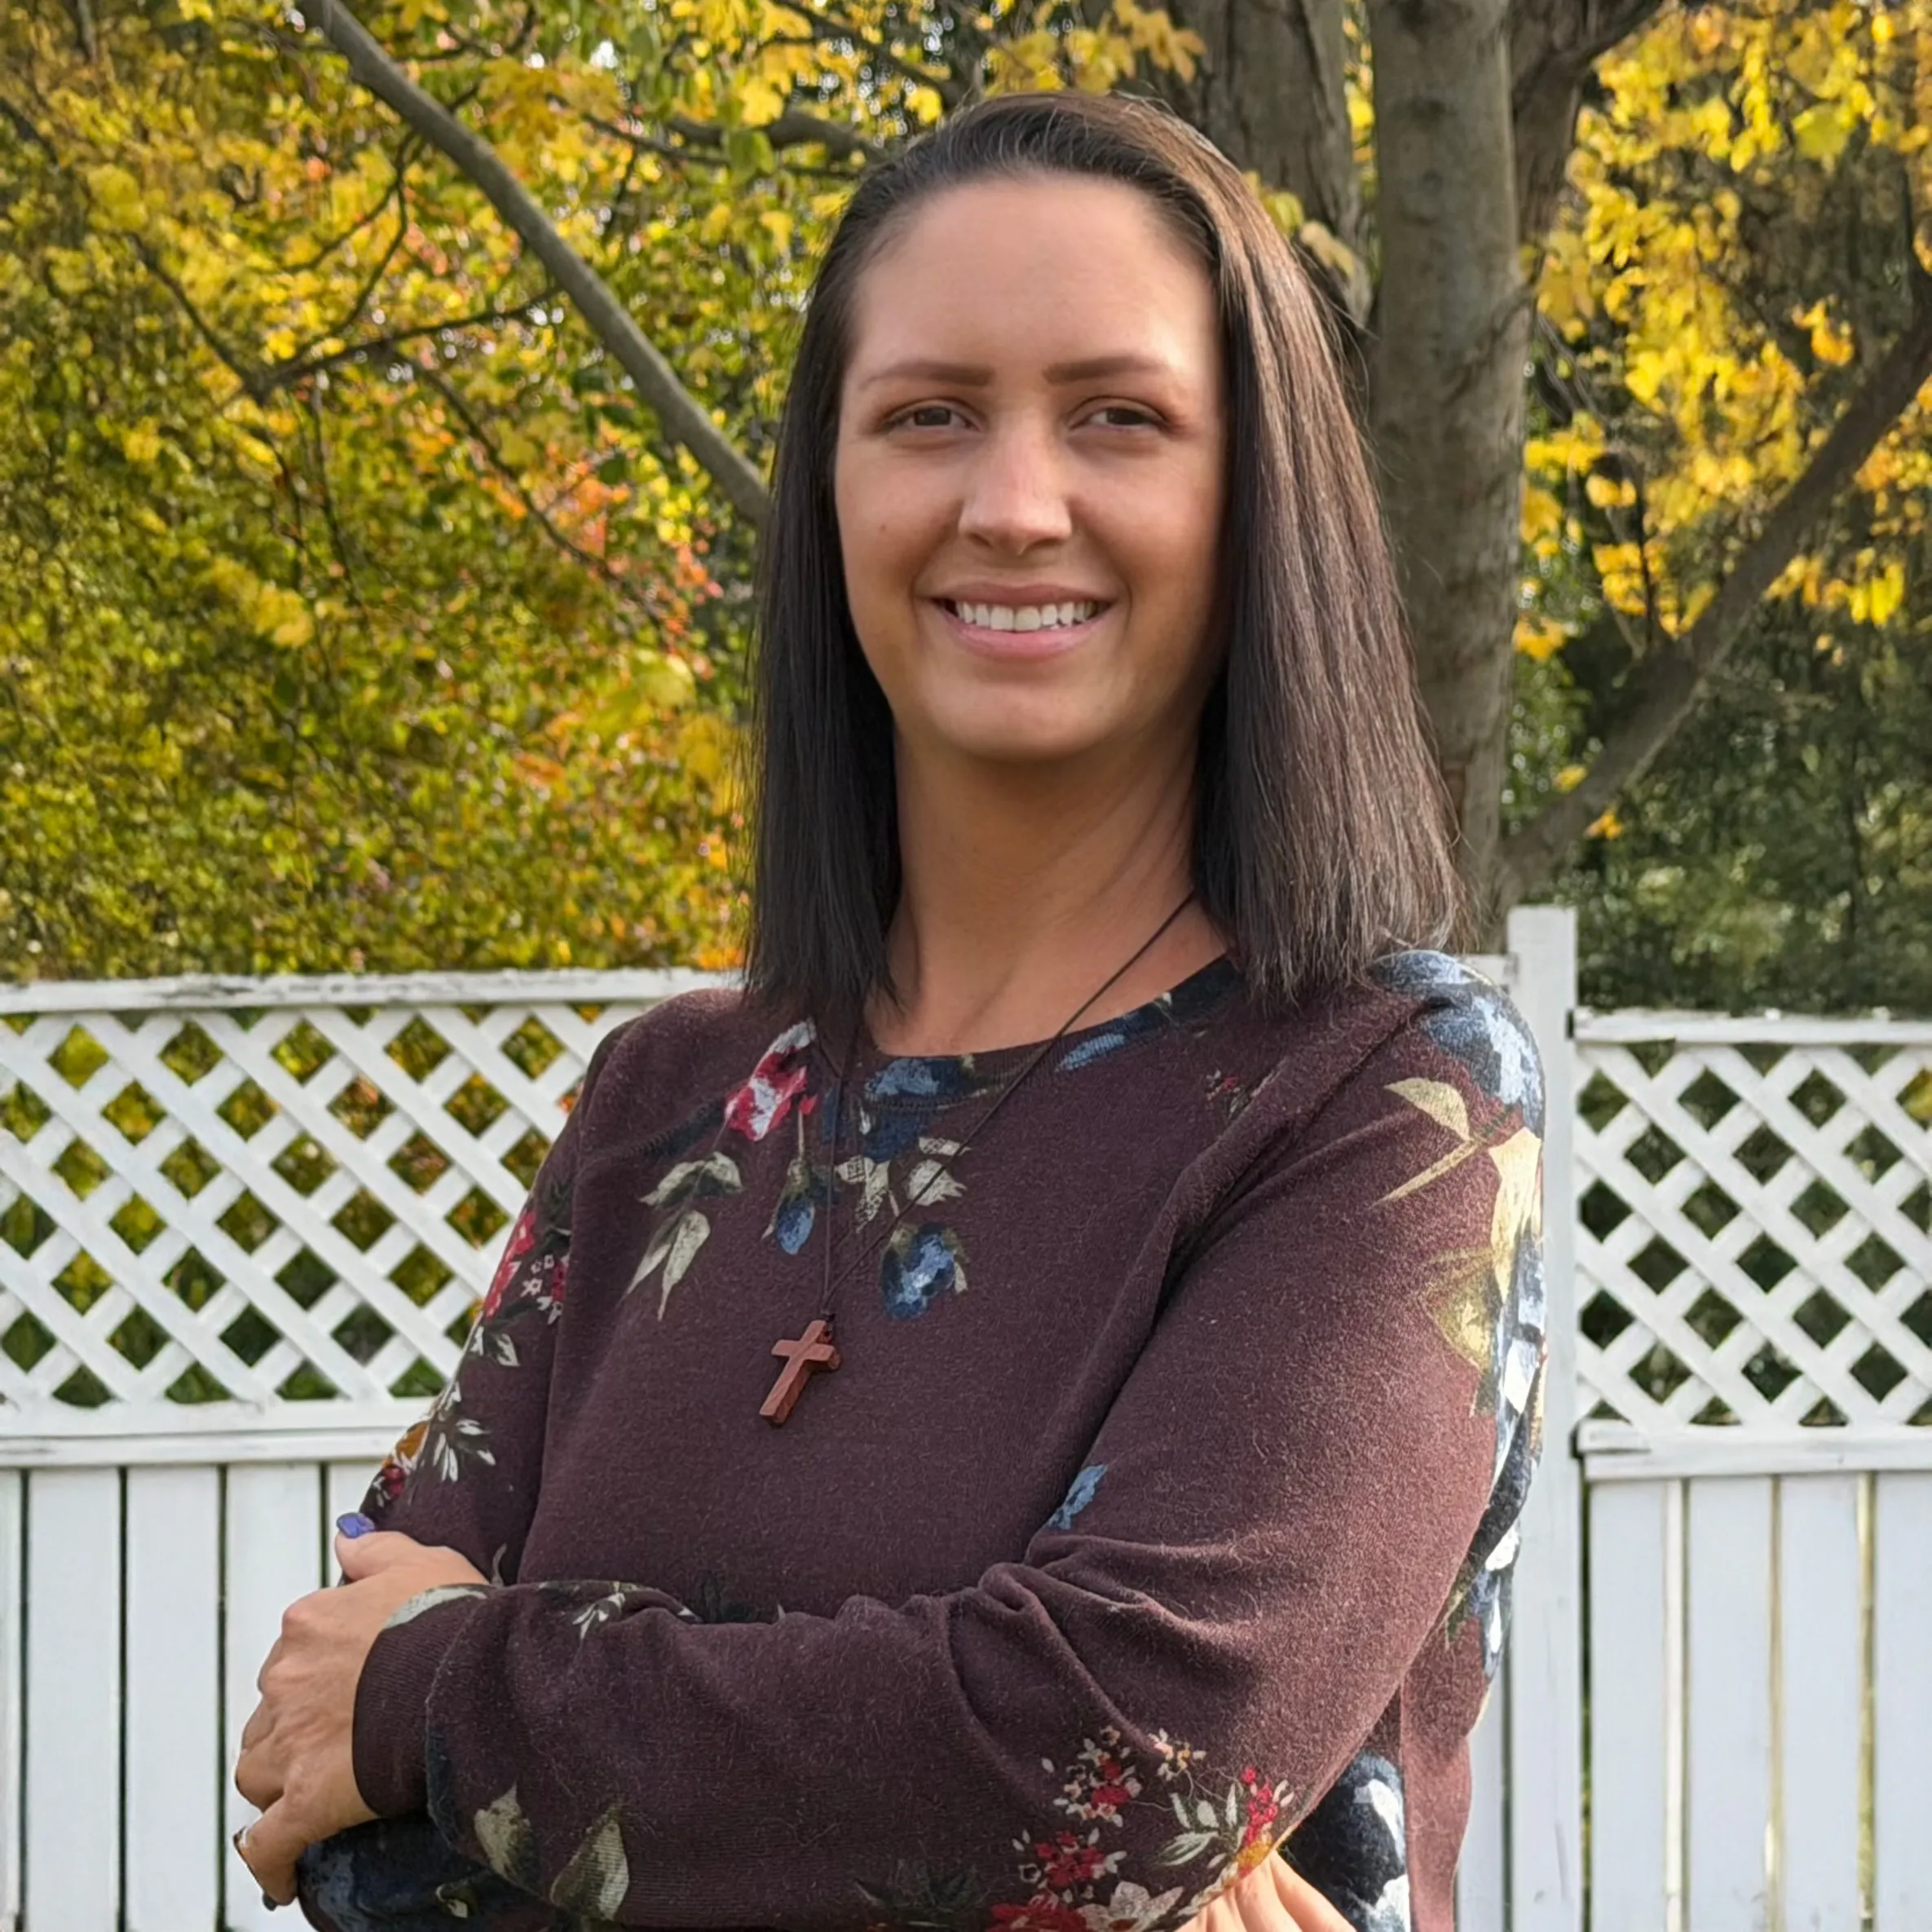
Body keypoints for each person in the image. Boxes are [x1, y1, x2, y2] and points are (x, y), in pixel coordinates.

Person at [231, 88, 1546, 1932]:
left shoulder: (1383, 1104)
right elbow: (331, 1799)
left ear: (1257, 499)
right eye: (928, 416)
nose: (1014, 505)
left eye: (1120, 417)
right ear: (831, 489)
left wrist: (461, 1706)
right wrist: (983, 1815)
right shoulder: (665, 1104)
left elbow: (1115, 1767)